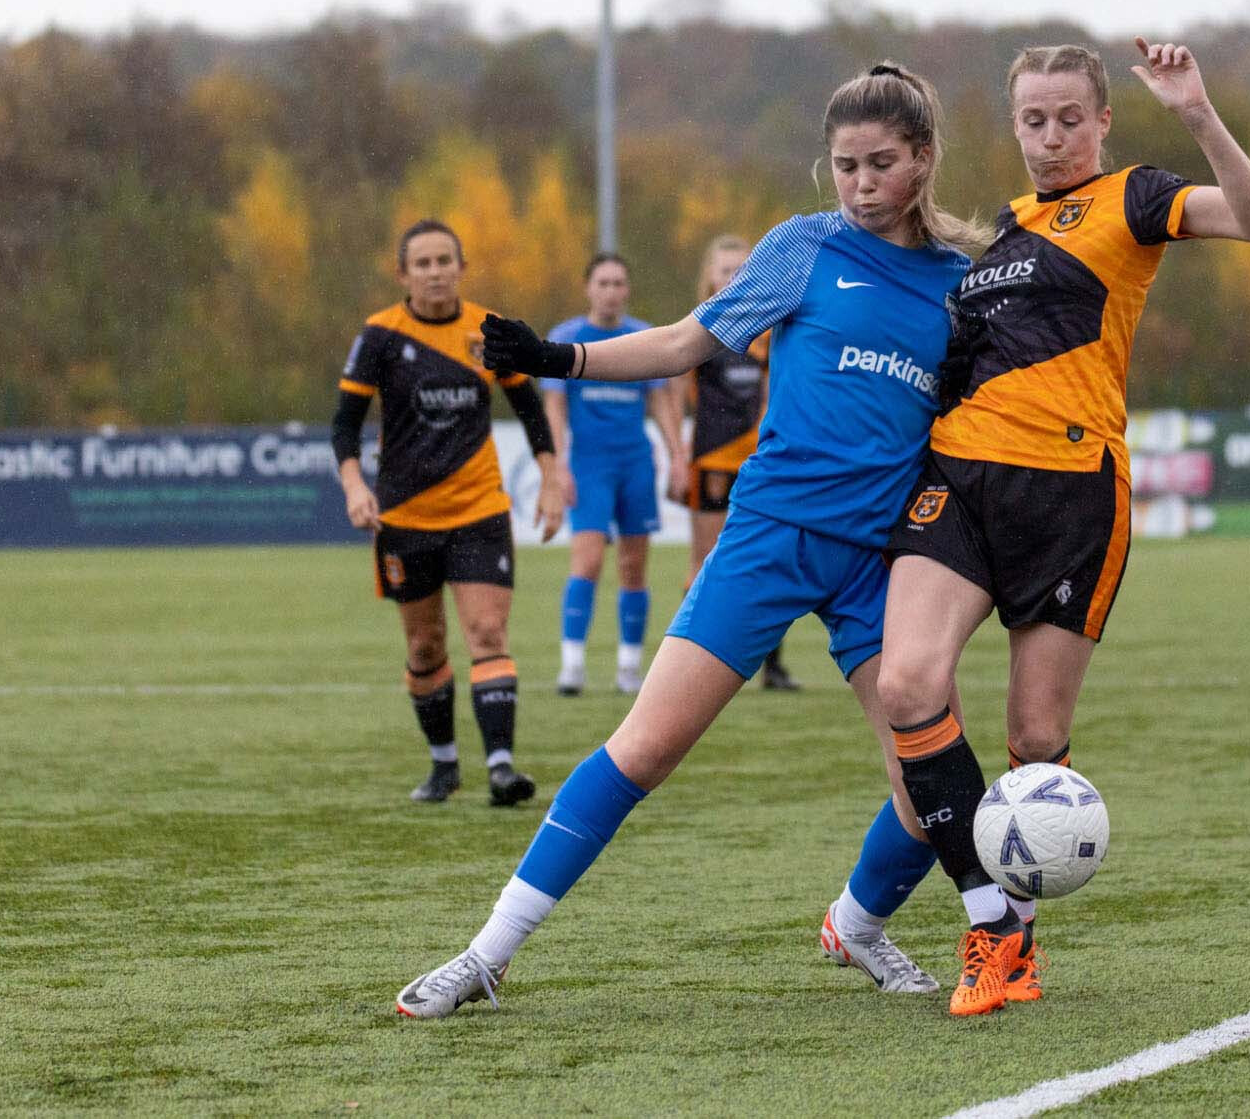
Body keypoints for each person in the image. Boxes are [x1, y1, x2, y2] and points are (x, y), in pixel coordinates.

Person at [395, 62, 977, 1019]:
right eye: (844, 165)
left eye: (882, 163)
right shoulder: (803, 247)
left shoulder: (961, 280)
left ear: (923, 159)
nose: (861, 183)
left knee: (927, 783)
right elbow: (681, 342)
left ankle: (859, 924)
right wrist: (560, 357)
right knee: (646, 746)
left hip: (884, 563)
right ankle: (487, 954)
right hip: (769, 536)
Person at [870, 38, 1250, 1015]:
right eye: (1031, 120)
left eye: (1067, 119)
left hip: (1069, 496)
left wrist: (1194, 112)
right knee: (905, 683)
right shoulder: (1000, 229)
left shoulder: (1132, 197)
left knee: (1034, 733)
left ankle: (1011, 941)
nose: (1049, 136)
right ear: (1011, 124)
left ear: (1100, 120)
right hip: (957, 482)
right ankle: (989, 925)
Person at [333, 220, 568, 808]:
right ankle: (443, 766)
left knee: (487, 632)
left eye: (445, 261)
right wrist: (353, 486)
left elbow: (529, 408)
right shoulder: (380, 335)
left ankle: (501, 768)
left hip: (479, 509)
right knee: (425, 647)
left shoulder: (488, 331)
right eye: (423, 263)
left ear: (461, 267)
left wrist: (550, 478)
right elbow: (344, 424)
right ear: (403, 274)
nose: (435, 271)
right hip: (406, 518)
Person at [542, 254, 688, 695]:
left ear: (628, 289)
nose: (611, 290)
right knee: (586, 560)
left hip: (635, 464)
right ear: (588, 287)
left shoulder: (643, 337)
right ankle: (572, 665)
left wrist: (677, 454)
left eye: (619, 283)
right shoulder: (566, 339)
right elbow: (553, 405)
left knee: (633, 566)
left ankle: (628, 668)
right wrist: (557, 464)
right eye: (603, 282)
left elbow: (661, 402)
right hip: (589, 465)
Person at [680, 235, 795, 691]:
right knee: (705, 563)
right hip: (710, 459)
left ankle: (773, 666)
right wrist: (674, 452)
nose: (733, 276)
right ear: (709, 277)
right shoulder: (699, 330)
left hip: (761, 461)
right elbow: (675, 393)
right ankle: (689, 665)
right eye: (724, 269)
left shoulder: (771, 331)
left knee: (767, 560)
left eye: (741, 267)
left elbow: (776, 391)